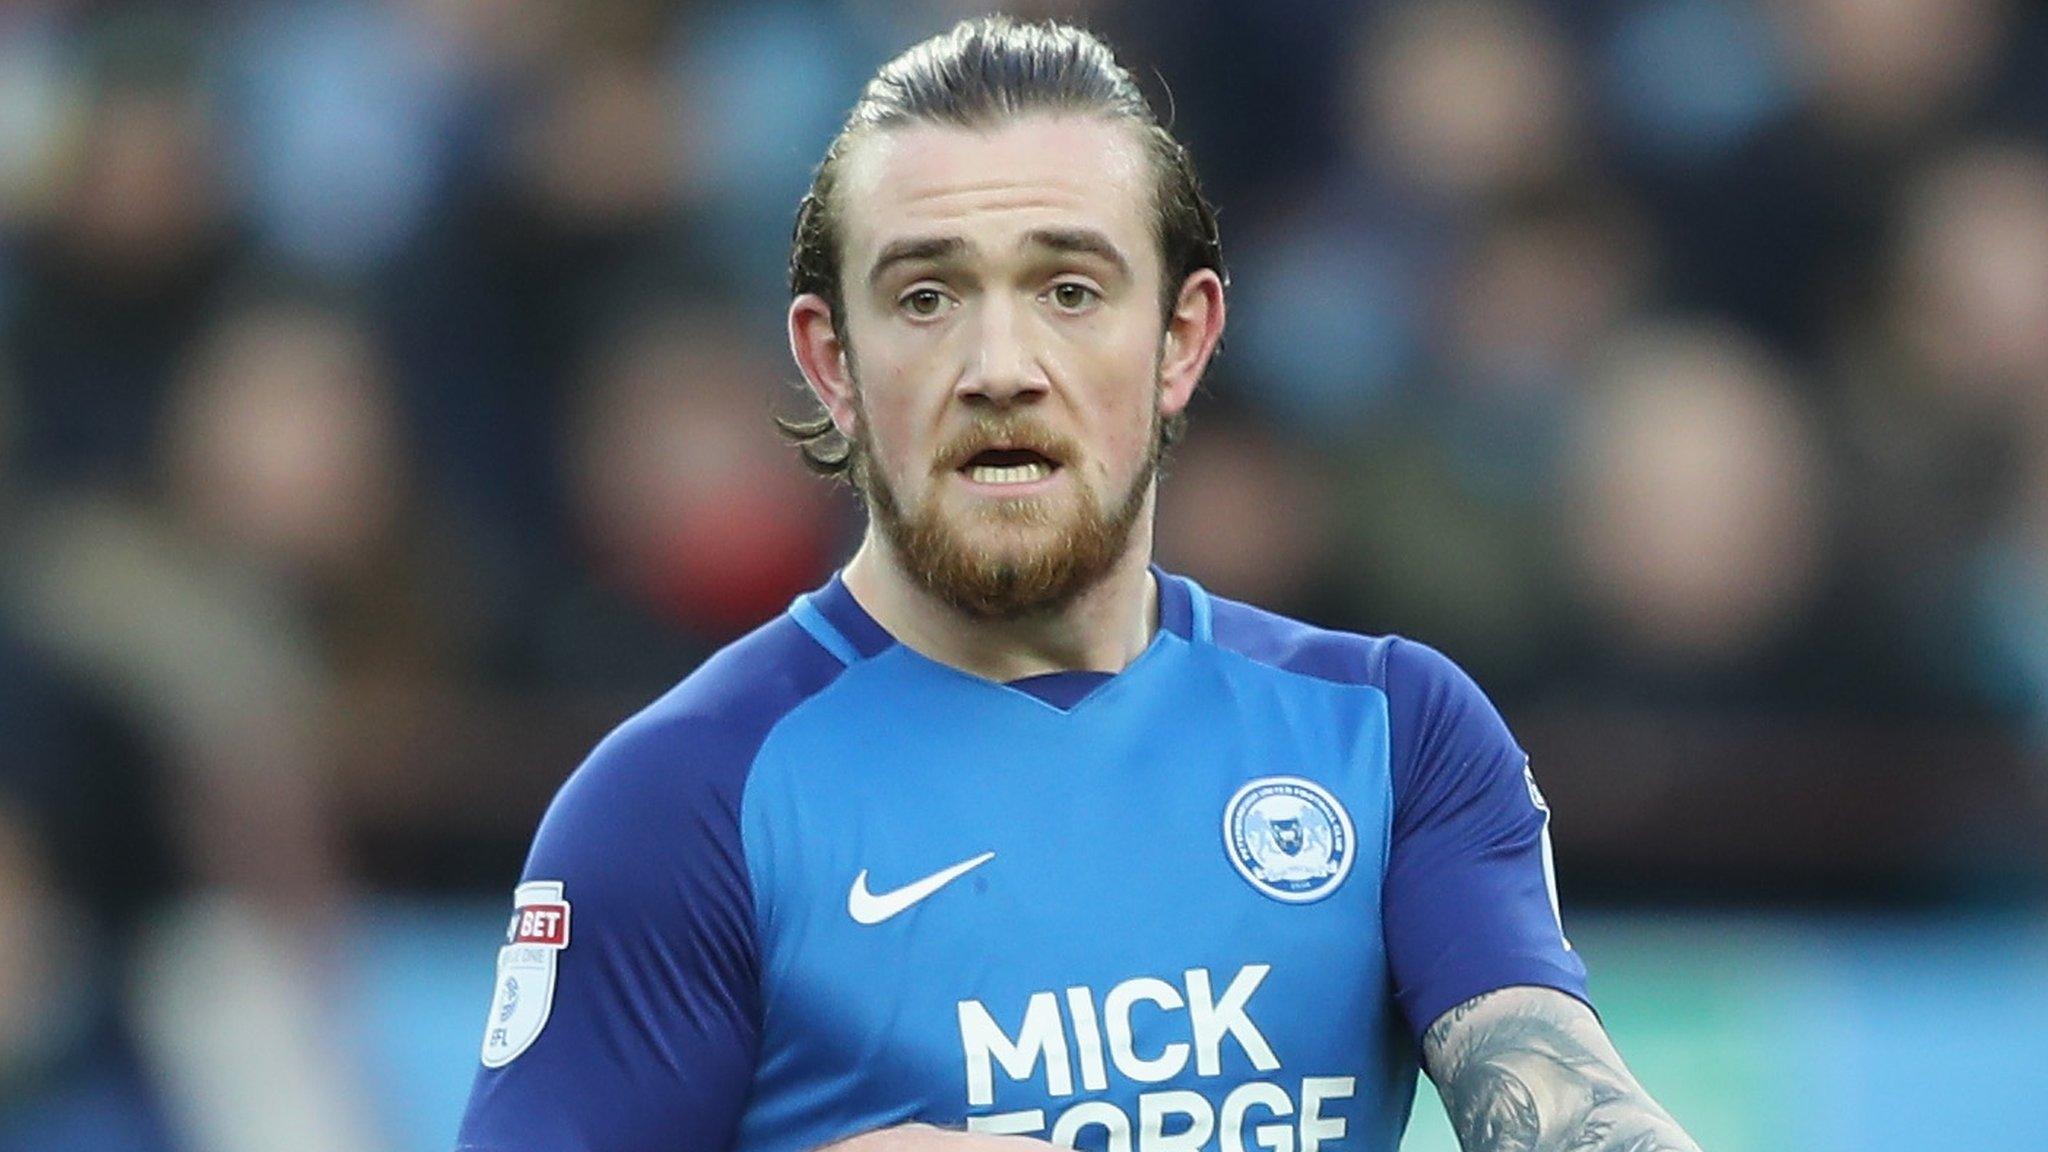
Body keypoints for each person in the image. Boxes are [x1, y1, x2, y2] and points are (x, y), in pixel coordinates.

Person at [455, 16, 1703, 1152]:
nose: (1001, 364)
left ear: (1181, 341)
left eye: (1068, 290)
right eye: (927, 296)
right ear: (830, 361)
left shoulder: (1387, 732)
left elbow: (1566, 1117)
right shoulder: (678, 807)